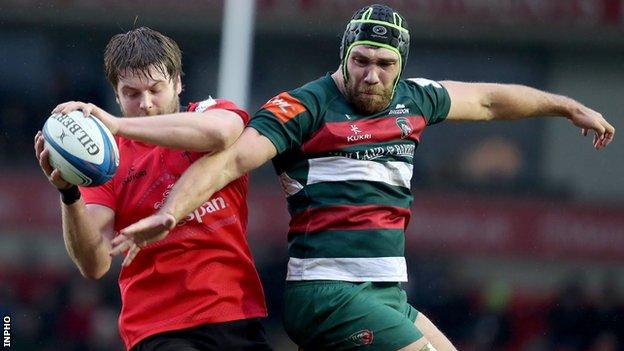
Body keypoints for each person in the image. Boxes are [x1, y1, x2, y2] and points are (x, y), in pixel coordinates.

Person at [111, 5, 615, 351]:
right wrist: (170, 212)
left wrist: (566, 107)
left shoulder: (415, 99)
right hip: (327, 292)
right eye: (360, 61)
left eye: (383, 64)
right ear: (344, 55)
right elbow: (229, 161)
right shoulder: (302, 106)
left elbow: (489, 100)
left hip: (385, 293)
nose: (371, 74)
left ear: (401, 67)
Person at [33, 27, 272, 351]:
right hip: (160, 329)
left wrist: (117, 124)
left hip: (238, 316)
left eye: (155, 90)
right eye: (131, 93)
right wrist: (69, 194)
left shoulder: (209, 114)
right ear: (116, 95)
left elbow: (222, 133)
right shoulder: (107, 161)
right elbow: (95, 264)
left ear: (177, 83)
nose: (145, 103)